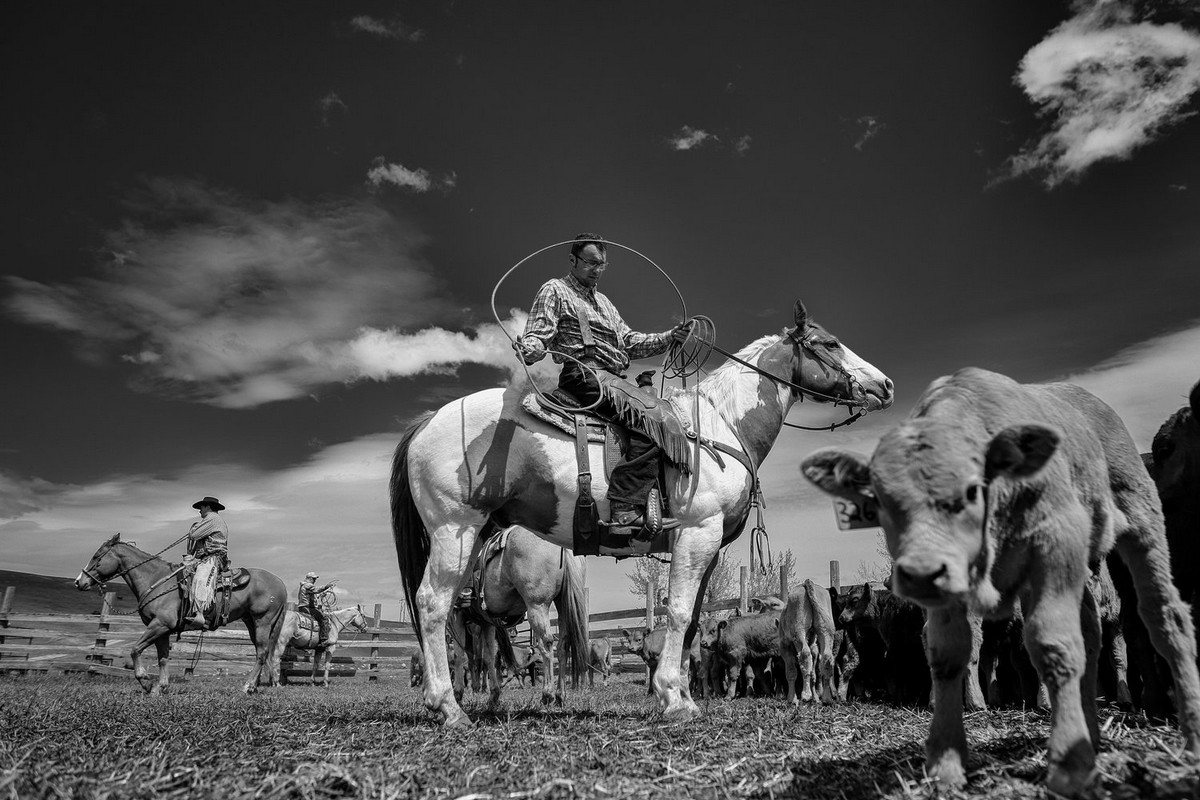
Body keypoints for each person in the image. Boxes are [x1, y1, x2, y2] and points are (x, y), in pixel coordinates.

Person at [514, 233, 693, 539]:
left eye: (602, 265)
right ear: (573, 260)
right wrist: (530, 347)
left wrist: (669, 337)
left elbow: (629, 342)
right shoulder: (555, 289)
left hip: (611, 378)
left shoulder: (605, 303)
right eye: (591, 263)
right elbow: (538, 332)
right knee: (654, 420)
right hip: (584, 374)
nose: (597, 270)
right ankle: (625, 507)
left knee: (655, 411)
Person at [184, 496, 229, 628]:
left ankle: (202, 615)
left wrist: (193, 527)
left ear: (208, 507)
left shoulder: (212, 518)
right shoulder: (214, 519)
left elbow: (194, 534)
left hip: (213, 558)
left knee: (201, 579)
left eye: (201, 508)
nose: (199, 511)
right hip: (208, 556)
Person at [297, 572, 338, 646]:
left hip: (303, 606)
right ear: (309, 578)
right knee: (324, 619)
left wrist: (321, 595)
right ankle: (323, 639)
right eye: (314, 578)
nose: (315, 580)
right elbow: (316, 589)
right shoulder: (308, 585)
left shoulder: (304, 586)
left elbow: (313, 595)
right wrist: (326, 586)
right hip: (307, 607)